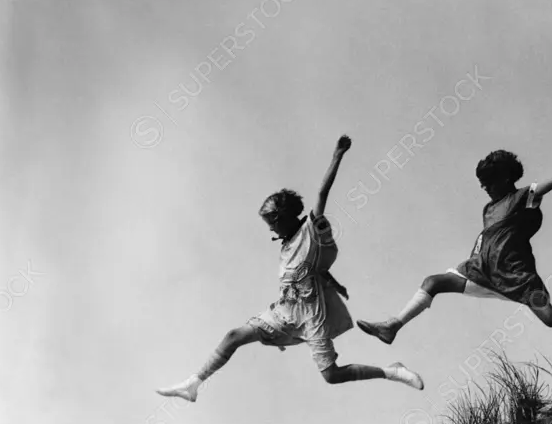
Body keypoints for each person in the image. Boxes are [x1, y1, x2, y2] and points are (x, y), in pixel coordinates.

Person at [156, 135, 423, 402]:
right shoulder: (285, 246)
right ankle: (194, 383)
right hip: (284, 312)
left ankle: (392, 372)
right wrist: (333, 280)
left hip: (311, 316)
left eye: (271, 223)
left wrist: (337, 154)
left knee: (331, 375)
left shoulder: (311, 231)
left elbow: (322, 194)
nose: (270, 229)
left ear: (283, 218)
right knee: (233, 336)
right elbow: (311, 268)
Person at [357, 148, 552, 345]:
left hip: (518, 279)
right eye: (482, 183)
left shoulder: (523, 197)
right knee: (433, 282)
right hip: (481, 272)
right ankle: (392, 326)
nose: (484, 188)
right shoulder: (488, 209)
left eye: (489, 183)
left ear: (505, 179)